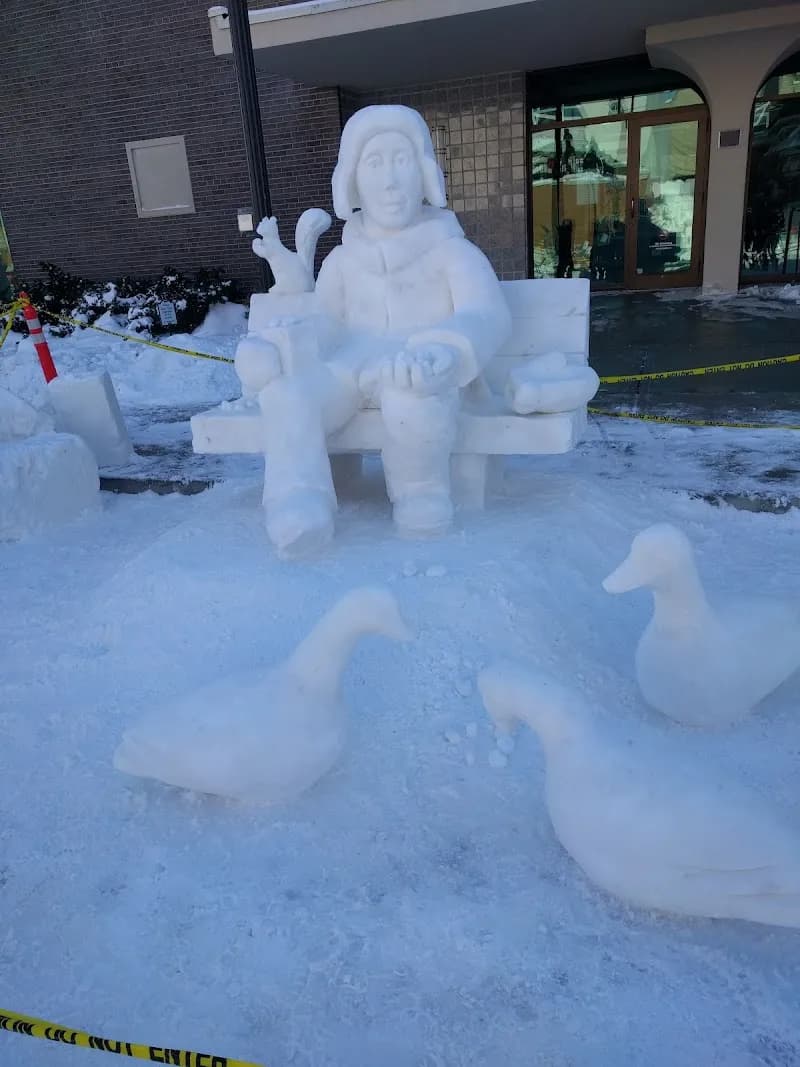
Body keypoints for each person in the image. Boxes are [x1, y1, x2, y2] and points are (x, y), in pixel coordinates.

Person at [240, 105, 511, 557]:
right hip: (349, 363)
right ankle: (299, 503)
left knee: (412, 393)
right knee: (289, 395)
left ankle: (420, 492)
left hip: (419, 363)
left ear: (425, 174)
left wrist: (447, 349)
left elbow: (487, 313)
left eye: (401, 161)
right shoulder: (343, 260)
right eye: (374, 163)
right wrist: (284, 345)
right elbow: (326, 320)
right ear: (353, 181)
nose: (389, 181)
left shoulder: (452, 252)